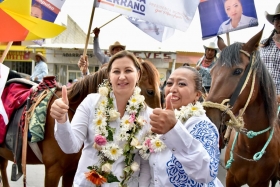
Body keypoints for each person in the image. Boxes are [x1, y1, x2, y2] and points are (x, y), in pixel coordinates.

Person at [50, 50, 151, 187]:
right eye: (116, 71)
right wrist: (62, 120)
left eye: (128, 70)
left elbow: (145, 165)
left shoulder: (147, 115)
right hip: (88, 183)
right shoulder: (91, 103)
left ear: (138, 74)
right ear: (109, 76)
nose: (122, 76)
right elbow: (70, 147)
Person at [140, 66, 223, 186]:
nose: (173, 89)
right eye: (169, 83)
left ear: (197, 95)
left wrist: (173, 130)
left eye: (182, 84)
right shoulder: (159, 121)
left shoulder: (202, 125)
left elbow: (206, 173)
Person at [260, 3, 280, 103]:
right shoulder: (264, 44)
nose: (279, 22)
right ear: (273, 22)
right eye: (277, 19)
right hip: (264, 95)